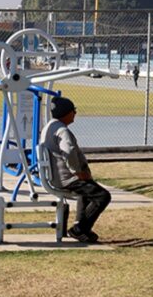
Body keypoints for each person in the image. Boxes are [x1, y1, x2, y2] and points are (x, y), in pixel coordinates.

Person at [41, 97, 111, 243]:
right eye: (73, 110)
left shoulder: (49, 127)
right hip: (68, 179)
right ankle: (79, 229)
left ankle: (80, 226)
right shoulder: (62, 130)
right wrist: (78, 172)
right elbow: (69, 151)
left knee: (88, 193)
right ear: (66, 112)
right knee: (103, 196)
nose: (75, 113)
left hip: (57, 177)